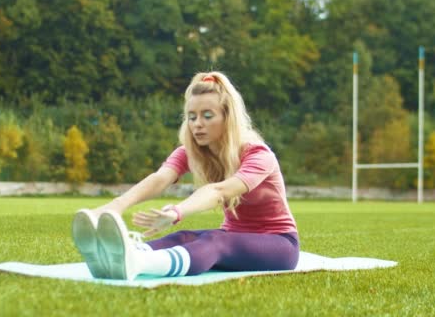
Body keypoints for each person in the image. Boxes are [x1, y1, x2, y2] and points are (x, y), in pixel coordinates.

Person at [72, 71, 299, 280]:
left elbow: (218, 191)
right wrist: (116, 206)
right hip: (234, 236)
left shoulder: (258, 154)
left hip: (279, 244)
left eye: (207, 116)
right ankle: (118, 256)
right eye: (192, 117)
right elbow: (160, 179)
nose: (197, 124)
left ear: (227, 118)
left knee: (216, 241)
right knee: (183, 237)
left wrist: (176, 211)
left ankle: (138, 263)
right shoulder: (192, 151)